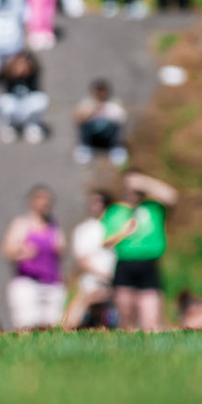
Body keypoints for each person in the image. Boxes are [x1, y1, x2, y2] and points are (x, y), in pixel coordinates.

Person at [103, 171, 178, 332]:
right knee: (126, 314)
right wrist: (125, 231)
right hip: (125, 264)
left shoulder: (154, 208)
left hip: (149, 264)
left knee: (151, 316)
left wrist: (144, 182)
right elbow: (106, 242)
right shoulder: (115, 211)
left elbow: (172, 197)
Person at [2, 185, 66, 330]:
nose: (44, 203)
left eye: (47, 200)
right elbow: (7, 251)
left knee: (52, 325)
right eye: (40, 199)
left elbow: (61, 251)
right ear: (32, 201)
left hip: (52, 282)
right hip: (28, 281)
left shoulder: (54, 226)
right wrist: (21, 251)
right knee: (27, 324)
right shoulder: (22, 224)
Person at [65, 189, 118, 330]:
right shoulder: (83, 230)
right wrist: (105, 276)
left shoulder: (115, 227)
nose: (97, 205)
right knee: (84, 304)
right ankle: (68, 330)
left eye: (101, 202)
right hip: (92, 281)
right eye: (94, 202)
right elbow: (82, 259)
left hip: (116, 283)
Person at [0, 51, 48, 144]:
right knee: (4, 101)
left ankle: (32, 126)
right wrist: (12, 75)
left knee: (41, 99)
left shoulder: (32, 76)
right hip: (14, 107)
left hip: (26, 106)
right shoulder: (7, 75)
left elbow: (36, 91)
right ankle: (10, 126)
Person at [73, 78, 128, 165]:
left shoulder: (113, 103)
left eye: (102, 92)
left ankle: (115, 149)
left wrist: (108, 112)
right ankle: (85, 149)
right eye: (98, 92)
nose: (100, 95)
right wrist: (93, 112)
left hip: (108, 134)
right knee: (84, 125)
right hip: (92, 134)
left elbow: (122, 118)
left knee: (116, 126)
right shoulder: (87, 103)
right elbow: (77, 118)